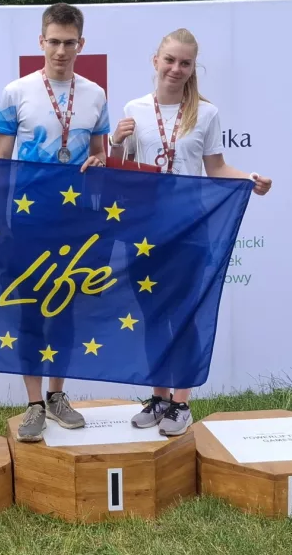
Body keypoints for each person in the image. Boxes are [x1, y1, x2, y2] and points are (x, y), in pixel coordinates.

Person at [110, 28, 272, 436]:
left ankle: (181, 403)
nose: (176, 68)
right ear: (156, 60)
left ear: (193, 67)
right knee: (151, 317)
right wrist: (116, 142)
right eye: (170, 60)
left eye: (185, 63)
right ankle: (159, 397)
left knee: (184, 317)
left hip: (189, 231)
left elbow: (216, 168)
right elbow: (122, 168)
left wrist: (249, 178)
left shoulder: (206, 113)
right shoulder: (133, 109)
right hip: (145, 231)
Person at [0, 2, 110, 443]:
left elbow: (100, 154)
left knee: (65, 309)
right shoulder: (15, 91)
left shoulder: (95, 94)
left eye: (69, 42)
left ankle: (57, 395)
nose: (61, 51)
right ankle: (33, 404)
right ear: (41, 42)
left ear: (81, 43)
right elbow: (1, 162)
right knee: (29, 310)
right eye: (54, 42)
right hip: (27, 221)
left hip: (74, 222)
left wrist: (100, 161)